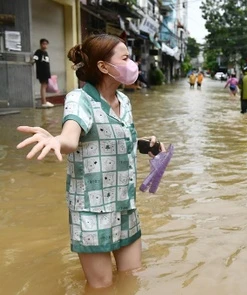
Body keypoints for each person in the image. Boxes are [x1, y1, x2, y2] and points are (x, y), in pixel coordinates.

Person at [16, 34, 166, 289]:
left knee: (131, 279)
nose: (132, 64)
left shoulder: (124, 101)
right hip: (92, 210)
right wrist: (56, 141)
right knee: (102, 287)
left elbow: (116, 138)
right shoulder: (79, 99)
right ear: (103, 66)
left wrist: (146, 146)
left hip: (125, 205)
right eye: (126, 58)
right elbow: (71, 138)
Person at [32, 38, 54, 108]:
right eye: (43, 44)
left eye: (46, 44)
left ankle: (44, 101)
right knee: (43, 86)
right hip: (41, 72)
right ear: (41, 44)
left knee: (45, 86)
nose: (45, 45)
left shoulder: (46, 53)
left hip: (46, 72)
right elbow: (34, 59)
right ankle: (43, 102)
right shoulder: (38, 52)